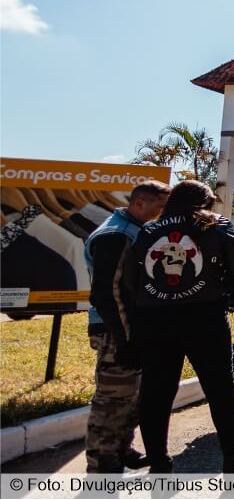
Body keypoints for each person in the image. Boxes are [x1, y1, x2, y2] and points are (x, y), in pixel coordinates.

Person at [125, 180, 234, 473]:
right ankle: (232, 459)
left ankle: (159, 463)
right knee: (220, 389)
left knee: (156, 392)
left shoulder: (148, 231)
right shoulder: (217, 225)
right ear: (205, 202)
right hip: (204, 316)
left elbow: (132, 280)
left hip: (154, 319)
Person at [83, 180, 170, 473]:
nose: (160, 215)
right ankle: (101, 462)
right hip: (115, 328)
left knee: (130, 395)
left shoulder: (132, 228)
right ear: (140, 203)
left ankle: (121, 449)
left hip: (129, 327)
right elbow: (107, 293)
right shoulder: (115, 236)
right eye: (158, 208)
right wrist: (124, 339)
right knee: (112, 399)